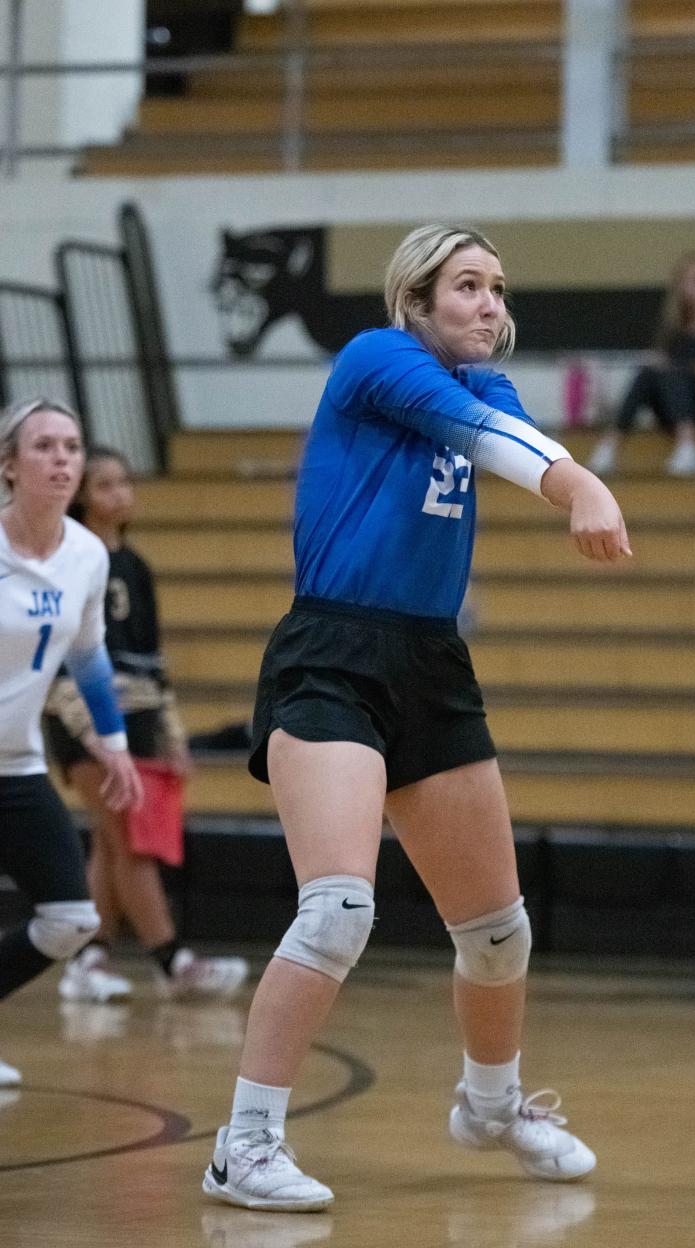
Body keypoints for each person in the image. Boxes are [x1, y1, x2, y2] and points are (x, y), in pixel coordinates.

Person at [201, 224, 632, 1212]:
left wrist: (565, 473)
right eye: (467, 286)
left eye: (497, 288)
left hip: (432, 662)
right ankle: (245, 1143)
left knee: (498, 934)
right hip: (335, 653)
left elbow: (508, 435)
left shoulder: (489, 386)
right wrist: (585, 484)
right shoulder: (377, 358)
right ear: (418, 298)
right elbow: (494, 446)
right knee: (340, 907)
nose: (488, 303)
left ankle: (492, 1106)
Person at [43, 447, 248, 1002]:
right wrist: (86, 730)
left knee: (111, 845)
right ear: (83, 496)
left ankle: (87, 961)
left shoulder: (136, 567)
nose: (119, 494)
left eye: (124, 483)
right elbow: (58, 652)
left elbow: (154, 664)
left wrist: (172, 734)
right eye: (105, 485)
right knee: (128, 839)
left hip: (136, 719)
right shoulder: (69, 562)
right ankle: (172, 958)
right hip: (80, 716)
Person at [0, 398, 142, 1086]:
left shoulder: (87, 555)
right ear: (9, 465)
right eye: (44, 446)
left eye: (72, 446)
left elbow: (89, 656)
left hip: (19, 764)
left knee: (69, 919)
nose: (61, 459)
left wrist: (111, 741)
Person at [588, 252, 695, 477]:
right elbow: (660, 367)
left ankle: (689, 446)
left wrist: (681, 368)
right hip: (676, 408)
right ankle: (610, 445)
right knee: (648, 372)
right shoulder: (674, 329)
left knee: (672, 372)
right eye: (691, 280)